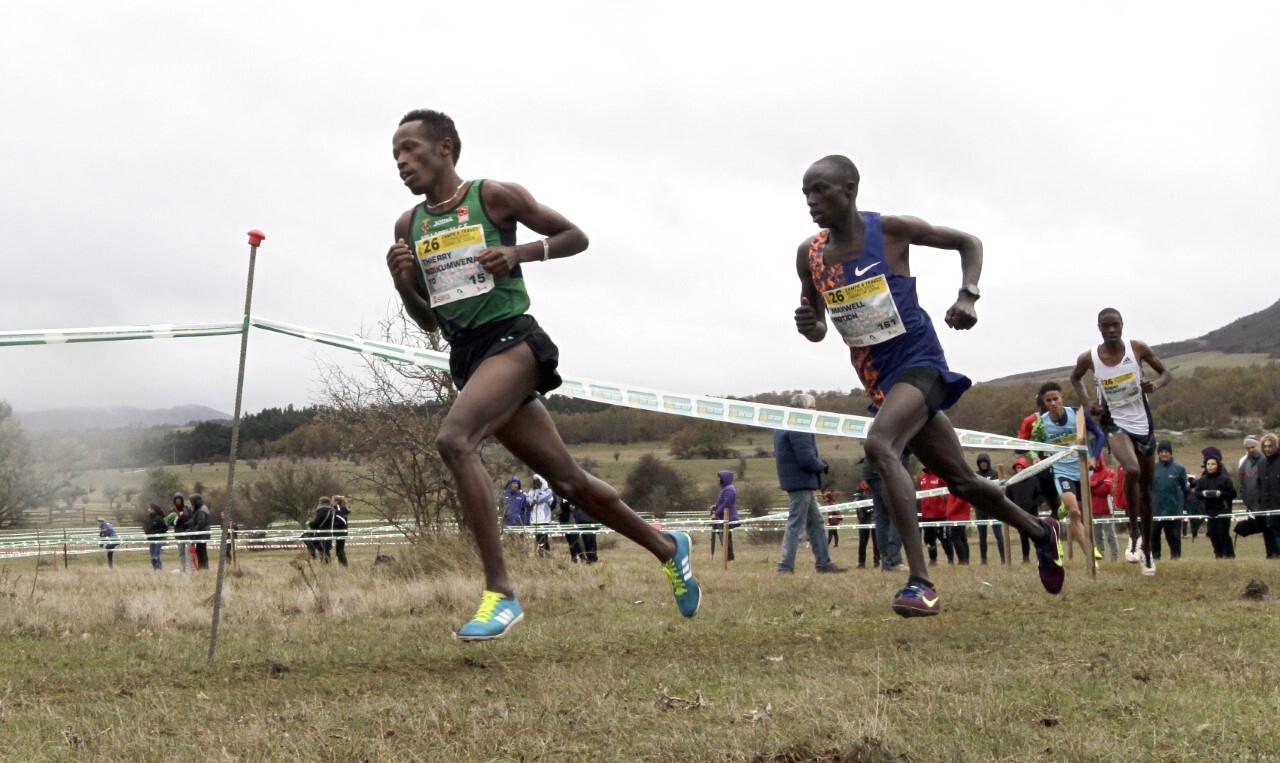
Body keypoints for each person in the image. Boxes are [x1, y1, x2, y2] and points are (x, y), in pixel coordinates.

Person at [385, 109, 698, 639]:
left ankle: (500, 593)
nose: (401, 161)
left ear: (444, 147)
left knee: (455, 441)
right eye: (395, 154)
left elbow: (576, 236)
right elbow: (430, 323)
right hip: (469, 357)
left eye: (409, 148)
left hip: (514, 343)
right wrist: (402, 283)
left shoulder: (493, 196)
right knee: (568, 481)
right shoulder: (408, 226)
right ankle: (668, 547)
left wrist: (519, 252)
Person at [791, 154, 1063, 616]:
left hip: (921, 364)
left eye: (820, 190)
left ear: (850, 190)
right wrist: (809, 325)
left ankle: (920, 582)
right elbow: (817, 326)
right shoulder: (810, 255)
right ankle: (1041, 531)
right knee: (963, 481)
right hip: (881, 383)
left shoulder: (891, 231)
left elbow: (968, 242)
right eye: (806, 193)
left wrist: (968, 296)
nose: (811, 201)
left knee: (880, 445)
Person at [1070, 308, 1173, 575]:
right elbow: (1075, 378)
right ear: (1099, 328)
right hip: (1113, 421)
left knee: (1147, 490)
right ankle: (1134, 534)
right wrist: (1088, 402)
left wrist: (1155, 385)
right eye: (1106, 326)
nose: (1111, 330)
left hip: (1142, 422)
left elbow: (1166, 373)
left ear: (1122, 325)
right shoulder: (1090, 357)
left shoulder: (1137, 348)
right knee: (1132, 470)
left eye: (1115, 325)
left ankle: (1147, 550)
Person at [774, 394, 847, 574]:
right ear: (805, 409)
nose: (816, 410)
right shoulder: (799, 425)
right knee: (796, 525)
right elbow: (807, 459)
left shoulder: (785, 422)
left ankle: (824, 563)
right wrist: (823, 465)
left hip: (797, 481)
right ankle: (785, 567)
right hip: (801, 482)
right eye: (814, 407)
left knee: (815, 523)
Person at [1037, 382, 1105, 567]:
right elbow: (1034, 445)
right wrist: (1036, 457)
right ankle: (1090, 556)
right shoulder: (1041, 423)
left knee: (1082, 514)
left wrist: (1094, 457)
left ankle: (1061, 510)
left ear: (1062, 397)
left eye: (1055, 399)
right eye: (1048, 401)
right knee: (1074, 512)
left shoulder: (1077, 414)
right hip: (1061, 472)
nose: (1053, 403)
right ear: (1044, 402)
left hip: (1083, 470)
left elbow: (1100, 435)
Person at [863, 457, 906, 571]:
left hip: (870, 469)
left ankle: (886, 560)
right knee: (897, 513)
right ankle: (893, 560)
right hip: (888, 468)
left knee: (881, 515)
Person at [1194, 448, 1237, 559]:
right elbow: (1197, 494)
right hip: (1210, 511)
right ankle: (1218, 555)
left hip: (1223, 510)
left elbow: (1232, 494)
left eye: (1213, 464)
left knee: (1223, 533)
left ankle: (1229, 555)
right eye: (1208, 464)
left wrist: (1220, 493)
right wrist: (1203, 493)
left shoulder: (1225, 479)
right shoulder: (1203, 480)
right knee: (1213, 534)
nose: (1210, 466)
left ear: (1218, 465)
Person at [1237, 437, 1276, 558]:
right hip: (1253, 505)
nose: (1250, 450)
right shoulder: (1244, 463)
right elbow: (1242, 484)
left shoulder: (1266, 460)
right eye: (1248, 448)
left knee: (1272, 529)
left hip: (1267, 503)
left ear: (1259, 446)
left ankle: (1275, 554)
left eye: (1253, 447)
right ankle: (1270, 554)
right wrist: (1246, 500)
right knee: (1265, 530)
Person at [1150, 441, 1188, 561]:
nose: (1164, 454)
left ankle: (1175, 559)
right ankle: (1155, 559)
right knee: (1153, 536)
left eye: (1166, 451)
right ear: (1158, 454)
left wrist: (1182, 508)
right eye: (1161, 452)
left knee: (1174, 537)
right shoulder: (1153, 468)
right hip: (1156, 510)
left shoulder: (1179, 468)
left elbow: (1185, 489)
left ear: (1171, 453)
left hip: (1173, 511)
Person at [1005, 458, 1044, 563]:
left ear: (1026, 468)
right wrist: (1013, 509)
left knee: (1036, 535)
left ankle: (1040, 557)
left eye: (1022, 467)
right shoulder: (1012, 482)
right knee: (1023, 536)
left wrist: (1035, 504)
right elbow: (1008, 498)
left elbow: (1040, 495)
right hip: (1019, 513)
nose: (1020, 470)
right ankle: (1025, 558)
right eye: (1018, 467)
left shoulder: (1034, 480)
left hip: (1032, 513)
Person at [917, 466, 952, 565]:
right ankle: (933, 559)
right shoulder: (921, 477)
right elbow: (920, 494)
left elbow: (949, 491)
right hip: (926, 515)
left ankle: (950, 558)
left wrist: (945, 496)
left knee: (944, 537)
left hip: (940, 514)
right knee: (928, 539)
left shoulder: (940, 476)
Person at [973, 454, 1005, 564]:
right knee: (982, 536)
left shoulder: (994, 474)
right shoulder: (976, 475)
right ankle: (983, 560)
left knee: (998, 535)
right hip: (980, 508)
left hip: (993, 508)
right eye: (981, 462)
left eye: (985, 462)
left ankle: (1003, 558)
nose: (983, 464)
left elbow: (999, 489)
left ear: (988, 462)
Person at [1089, 456, 1119, 562]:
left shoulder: (1110, 472)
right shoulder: (1089, 474)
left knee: (1110, 535)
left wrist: (1093, 488)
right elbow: (1086, 485)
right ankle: (1101, 558)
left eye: (1097, 460)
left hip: (1107, 509)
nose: (1096, 462)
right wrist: (1098, 483)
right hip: (1093, 509)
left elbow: (1107, 488)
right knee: (1097, 536)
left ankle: (1114, 558)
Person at [1255, 433, 1280, 558]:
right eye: (1265, 446)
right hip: (1266, 507)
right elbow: (1259, 485)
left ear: (1276, 446)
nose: (1267, 449)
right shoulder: (1261, 464)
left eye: (1270, 446)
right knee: (1269, 535)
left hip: (1278, 506)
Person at [710, 470, 739, 562]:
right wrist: (716, 506)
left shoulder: (729, 489)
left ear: (724, 478)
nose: (718, 480)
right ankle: (729, 558)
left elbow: (727, 504)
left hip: (728, 517)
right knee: (726, 538)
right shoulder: (725, 489)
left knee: (725, 538)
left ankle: (730, 559)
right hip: (725, 517)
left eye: (720, 478)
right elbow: (723, 503)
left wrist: (716, 514)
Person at [559, 496, 598, 563]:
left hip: (590, 520)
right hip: (580, 520)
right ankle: (587, 558)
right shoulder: (576, 496)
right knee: (585, 540)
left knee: (590, 540)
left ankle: (592, 558)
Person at [527, 475, 555, 557]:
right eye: (535, 481)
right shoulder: (532, 490)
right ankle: (542, 555)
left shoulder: (548, 491)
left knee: (544, 538)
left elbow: (542, 499)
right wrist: (534, 498)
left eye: (537, 481)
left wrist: (536, 498)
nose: (536, 483)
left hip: (544, 519)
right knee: (538, 538)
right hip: (535, 518)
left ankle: (545, 554)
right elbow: (528, 499)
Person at [944, 491, 971, 565]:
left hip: (958, 516)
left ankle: (962, 560)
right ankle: (965, 560)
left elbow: (960, 500)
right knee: (962, 539)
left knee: (955, 538)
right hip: (957, 516)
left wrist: (950, 511)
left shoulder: (959, 487)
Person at [307, 497, 335, 563]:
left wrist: (311, 524)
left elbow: (317, 522)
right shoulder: (331, 510)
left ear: (322, 502)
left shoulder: (322, 511)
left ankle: (325, 563)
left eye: (320, 501)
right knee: (326, 549)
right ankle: (327, 563)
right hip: (329, 532)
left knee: (322, 549)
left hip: (321, 532)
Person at [169, 493, 191, 574]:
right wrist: (175, 520)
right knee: (181, 551)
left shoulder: (187, 508)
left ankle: (191, 568)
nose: (178, 501)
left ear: (182, 500)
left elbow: (192, 518)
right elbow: (171, 522)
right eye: (176, 500)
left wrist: (186, 523)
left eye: (179, 500)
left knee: (190, 551)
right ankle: (183, 568)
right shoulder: (172, 510)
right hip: (179, 533)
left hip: (188, 532)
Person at [190, 493, 211, 571]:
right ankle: (203, 568)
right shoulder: (202, 508)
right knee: (202, 551)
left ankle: (203, 568)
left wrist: (194, 532)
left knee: (201, 552)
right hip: (203, 533)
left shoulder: (201, 510)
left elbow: (200, 523)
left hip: (202, 534)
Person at [144, 503, 167, 570]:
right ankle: (155, 569)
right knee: (152, 557)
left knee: (156, 556)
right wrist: (147, 533)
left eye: (149, 508)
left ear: (153, 509)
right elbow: (147, 528)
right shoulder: (149, 519)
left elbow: (164, 528)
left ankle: (159, 568)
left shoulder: (159, 518)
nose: (148, 510)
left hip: (158, 539)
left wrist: (156, 532)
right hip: (151, 540)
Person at [331, 495, 351, 567]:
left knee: (340, 550)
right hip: (339, 532)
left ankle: (344, 565)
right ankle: (342, 565)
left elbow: (342, 522)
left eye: (333, 501)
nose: (331, 502)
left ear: (336, 502)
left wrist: (335, 526)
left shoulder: (339, 510)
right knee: (339, 550)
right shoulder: (336, 509)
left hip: (340, 532)